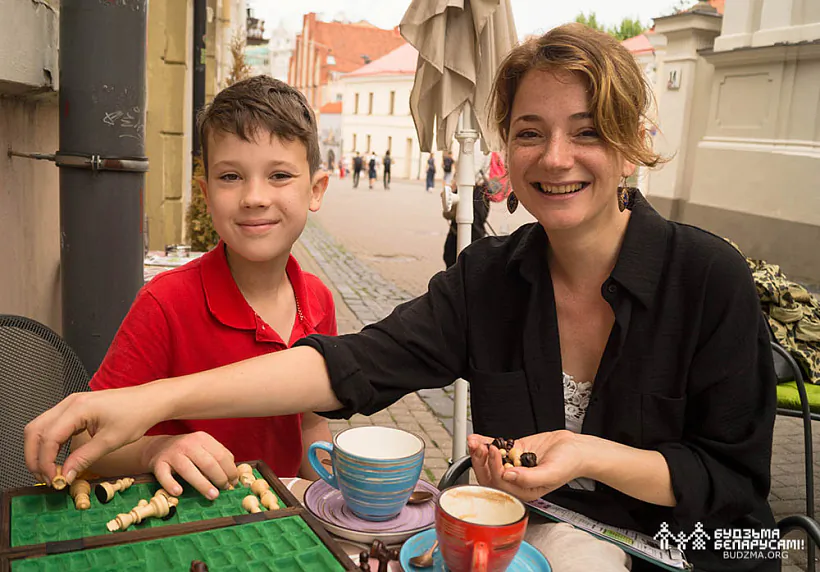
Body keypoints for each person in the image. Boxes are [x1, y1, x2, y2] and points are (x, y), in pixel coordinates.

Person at [26, 24, 776, 572]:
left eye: (586, 132)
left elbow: (736, 490)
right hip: (523, 547)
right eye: (530, 132)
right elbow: (352, 365)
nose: (555, 158)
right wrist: (150, 402)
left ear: (630, 143)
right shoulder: (491, 279)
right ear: (505, 152)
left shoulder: (708, 278)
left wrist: (592, 456)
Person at [63, 75, 337, 499]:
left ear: (315, 190)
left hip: (278, 521)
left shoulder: (318, 300)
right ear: (206, 195)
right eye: (231, 176)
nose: (254, 197)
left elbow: (311, 422)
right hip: (182, 521)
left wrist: (331, 500)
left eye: (279, 175)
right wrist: (156, 448)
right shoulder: (165, 303)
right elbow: (85, 440)